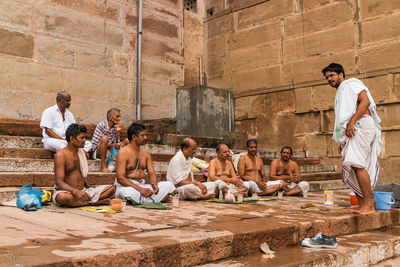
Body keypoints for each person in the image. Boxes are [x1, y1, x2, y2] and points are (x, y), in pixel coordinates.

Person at [322, 63, 383, 215]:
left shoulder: (351, 83)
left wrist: (352, 122)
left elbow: (365, 101)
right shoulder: (341, 91)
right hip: (353, 130)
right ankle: (362, 205)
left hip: (360, 125)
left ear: (341, 75)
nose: (329, 79)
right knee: (352, 166)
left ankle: (369, 205)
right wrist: (342, 141)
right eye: (327, 77)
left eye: (332, 75)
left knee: (355, 164)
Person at [53, 123, 115, 207]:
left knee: (111, 188)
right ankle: (94, 202)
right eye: (81, 138)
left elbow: (79, 171)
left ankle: (82, 202)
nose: (84, 140)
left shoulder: (82, 152)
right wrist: (75, 191)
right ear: (72, 139)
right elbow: (59, 182)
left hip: (84, 190)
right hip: (68, 191)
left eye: (85, 137)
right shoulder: (60, 155)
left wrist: (87, 185)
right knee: (63, 198)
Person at [114, 123, 175, 204]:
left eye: (145, 135)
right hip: (127, 187)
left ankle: (144, 199)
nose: (145, 137)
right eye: (142, 135)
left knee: (168, 185)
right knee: (129, 193)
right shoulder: (123, 153)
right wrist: (140, 190)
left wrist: (154, 185)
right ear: (134, 137)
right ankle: (153, 199)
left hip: (142, 186)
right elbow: (120, 178)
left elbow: (152, 173)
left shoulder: (145, 153)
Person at [90, 108, 129, 172]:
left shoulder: (115, 127)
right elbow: (98, 145)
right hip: (98, 153)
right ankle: (103, 167)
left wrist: (117, 133)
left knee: (127, 141)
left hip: (110, 152)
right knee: (105, 138)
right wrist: (114, 145)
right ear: (110, 117)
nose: (119, 119)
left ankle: (126, 166)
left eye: (119, 117)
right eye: (117, 116)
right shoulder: (102, 125)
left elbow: (117, 145)